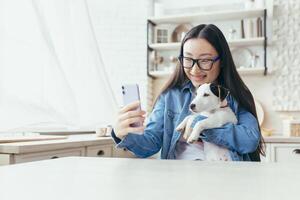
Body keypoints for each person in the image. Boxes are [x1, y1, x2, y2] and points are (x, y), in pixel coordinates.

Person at [111, 24, 264, 161]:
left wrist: (202, 127)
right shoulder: (170, 97)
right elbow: (150, 144)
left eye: (205, 60)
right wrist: (122, 134)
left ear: (222, 60)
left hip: (224, 178)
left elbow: (249, 140)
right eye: (188, 59)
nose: (194, 70)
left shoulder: (234, 96)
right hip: (179, 181)